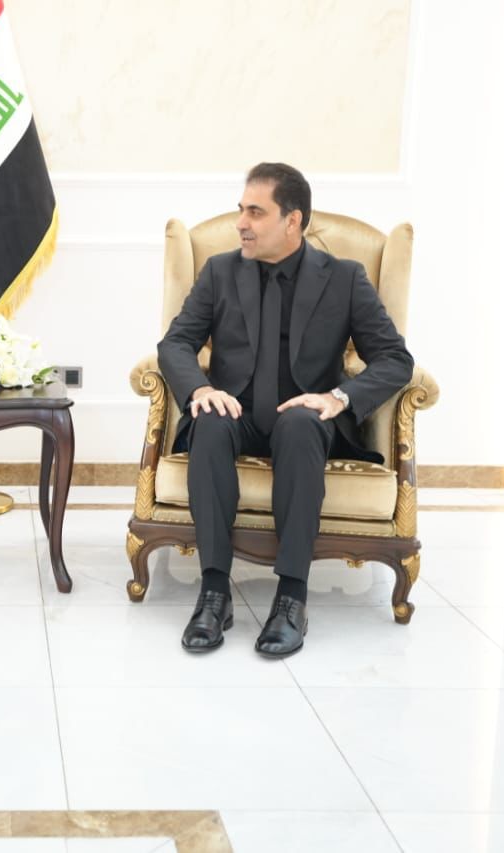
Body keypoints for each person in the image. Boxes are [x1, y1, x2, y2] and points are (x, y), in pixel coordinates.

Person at [158, 163, 412, 658]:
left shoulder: (344, 278)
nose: (241, 223)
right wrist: (200, 390)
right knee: (210, 421)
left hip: (304, 423)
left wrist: (338, 398)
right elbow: (175, 344)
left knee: (300, 423)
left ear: (292, 221)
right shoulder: (220, 272)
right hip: (237, 414)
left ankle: (292, 598)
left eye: (256, 212)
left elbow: (395, 359)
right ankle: (214, 594)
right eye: (241, 210)